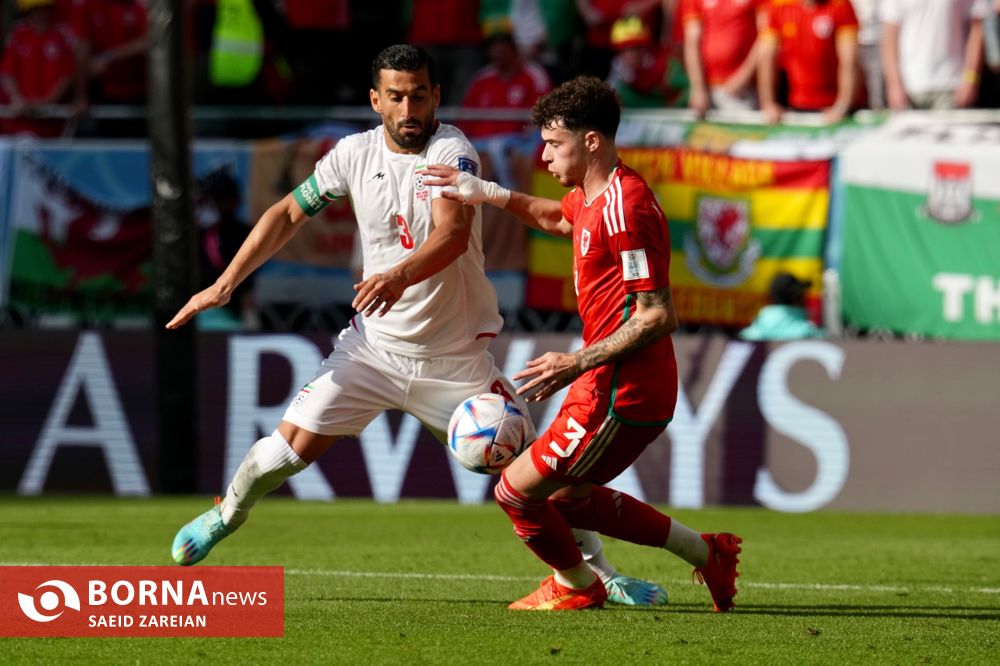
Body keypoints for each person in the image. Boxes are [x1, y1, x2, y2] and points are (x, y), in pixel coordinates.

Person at [167, 44, 667, 608]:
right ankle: (227, 515)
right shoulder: (351, 154)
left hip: (456, 363)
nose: (410, 109)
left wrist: (397, 275)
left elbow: (451, 234)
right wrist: (226, 283)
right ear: (375, 100)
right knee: (280, 454)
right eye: (398, 97)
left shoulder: (451, 151)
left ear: (436, 96)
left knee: (539, 479)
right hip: (372, 351)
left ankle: (601, 576)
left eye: (421, 96)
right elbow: (286, 212)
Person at [421, 76, 742, 611]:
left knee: (516, 492)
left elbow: (657, 315)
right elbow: (557, 217)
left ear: (591, 141)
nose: (544, 155)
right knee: (568, 499)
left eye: (554, 143)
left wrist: (575, 362)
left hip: (623, 390)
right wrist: (487, 193)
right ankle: (708, 554)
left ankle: (577, 585)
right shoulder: (592, 198)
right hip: (607, 383)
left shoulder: (626, 207)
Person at [758, 0, 861, 125]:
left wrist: (842, 106)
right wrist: (768, 104)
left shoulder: (840, 5)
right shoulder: (780, 6)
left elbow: (849, 61)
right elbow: (766, 58)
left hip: (833, 106)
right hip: (796, 104)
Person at [881, 0, 988, 110]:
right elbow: (890, 35)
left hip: (952, 86)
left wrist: (971, 78)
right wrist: (894, 84)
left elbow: (977, 27)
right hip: (909, 89)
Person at [0, 0, 81, 137]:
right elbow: (7, 72)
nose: (40, 14)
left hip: (51, 120)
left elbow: (67, 75)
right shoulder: (19, 33)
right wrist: (17, 98)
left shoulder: (62, 34)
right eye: (35, 10)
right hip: (19, 117)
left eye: (43, 9)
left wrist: (47, 101)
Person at [681, 0, 767, 118]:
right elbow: (692, 40)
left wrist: (744, 76)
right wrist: (698, 88)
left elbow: (765, 35)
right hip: (707, 89)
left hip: (742, 91)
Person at [739, 272, 824, 341]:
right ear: (797, 298)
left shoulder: (746, 336)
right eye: (802, 294)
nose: (805, 298)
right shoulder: (812, 334)